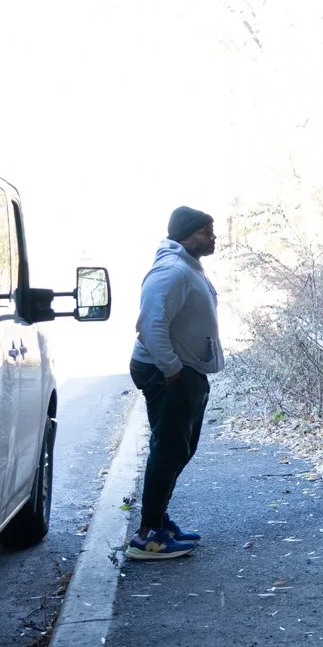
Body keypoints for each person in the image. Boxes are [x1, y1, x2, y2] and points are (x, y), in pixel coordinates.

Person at [125, 206, 223, 560]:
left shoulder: (186, 265)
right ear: (185, 234)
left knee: (177, 448)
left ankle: (160, 522)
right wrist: (171, 369)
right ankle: (148, 536)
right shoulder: (171, 271)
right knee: (168, 450)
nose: (213, 238)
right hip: (168, 371)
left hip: (183, 369)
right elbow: (150, 325)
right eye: (206, 232)